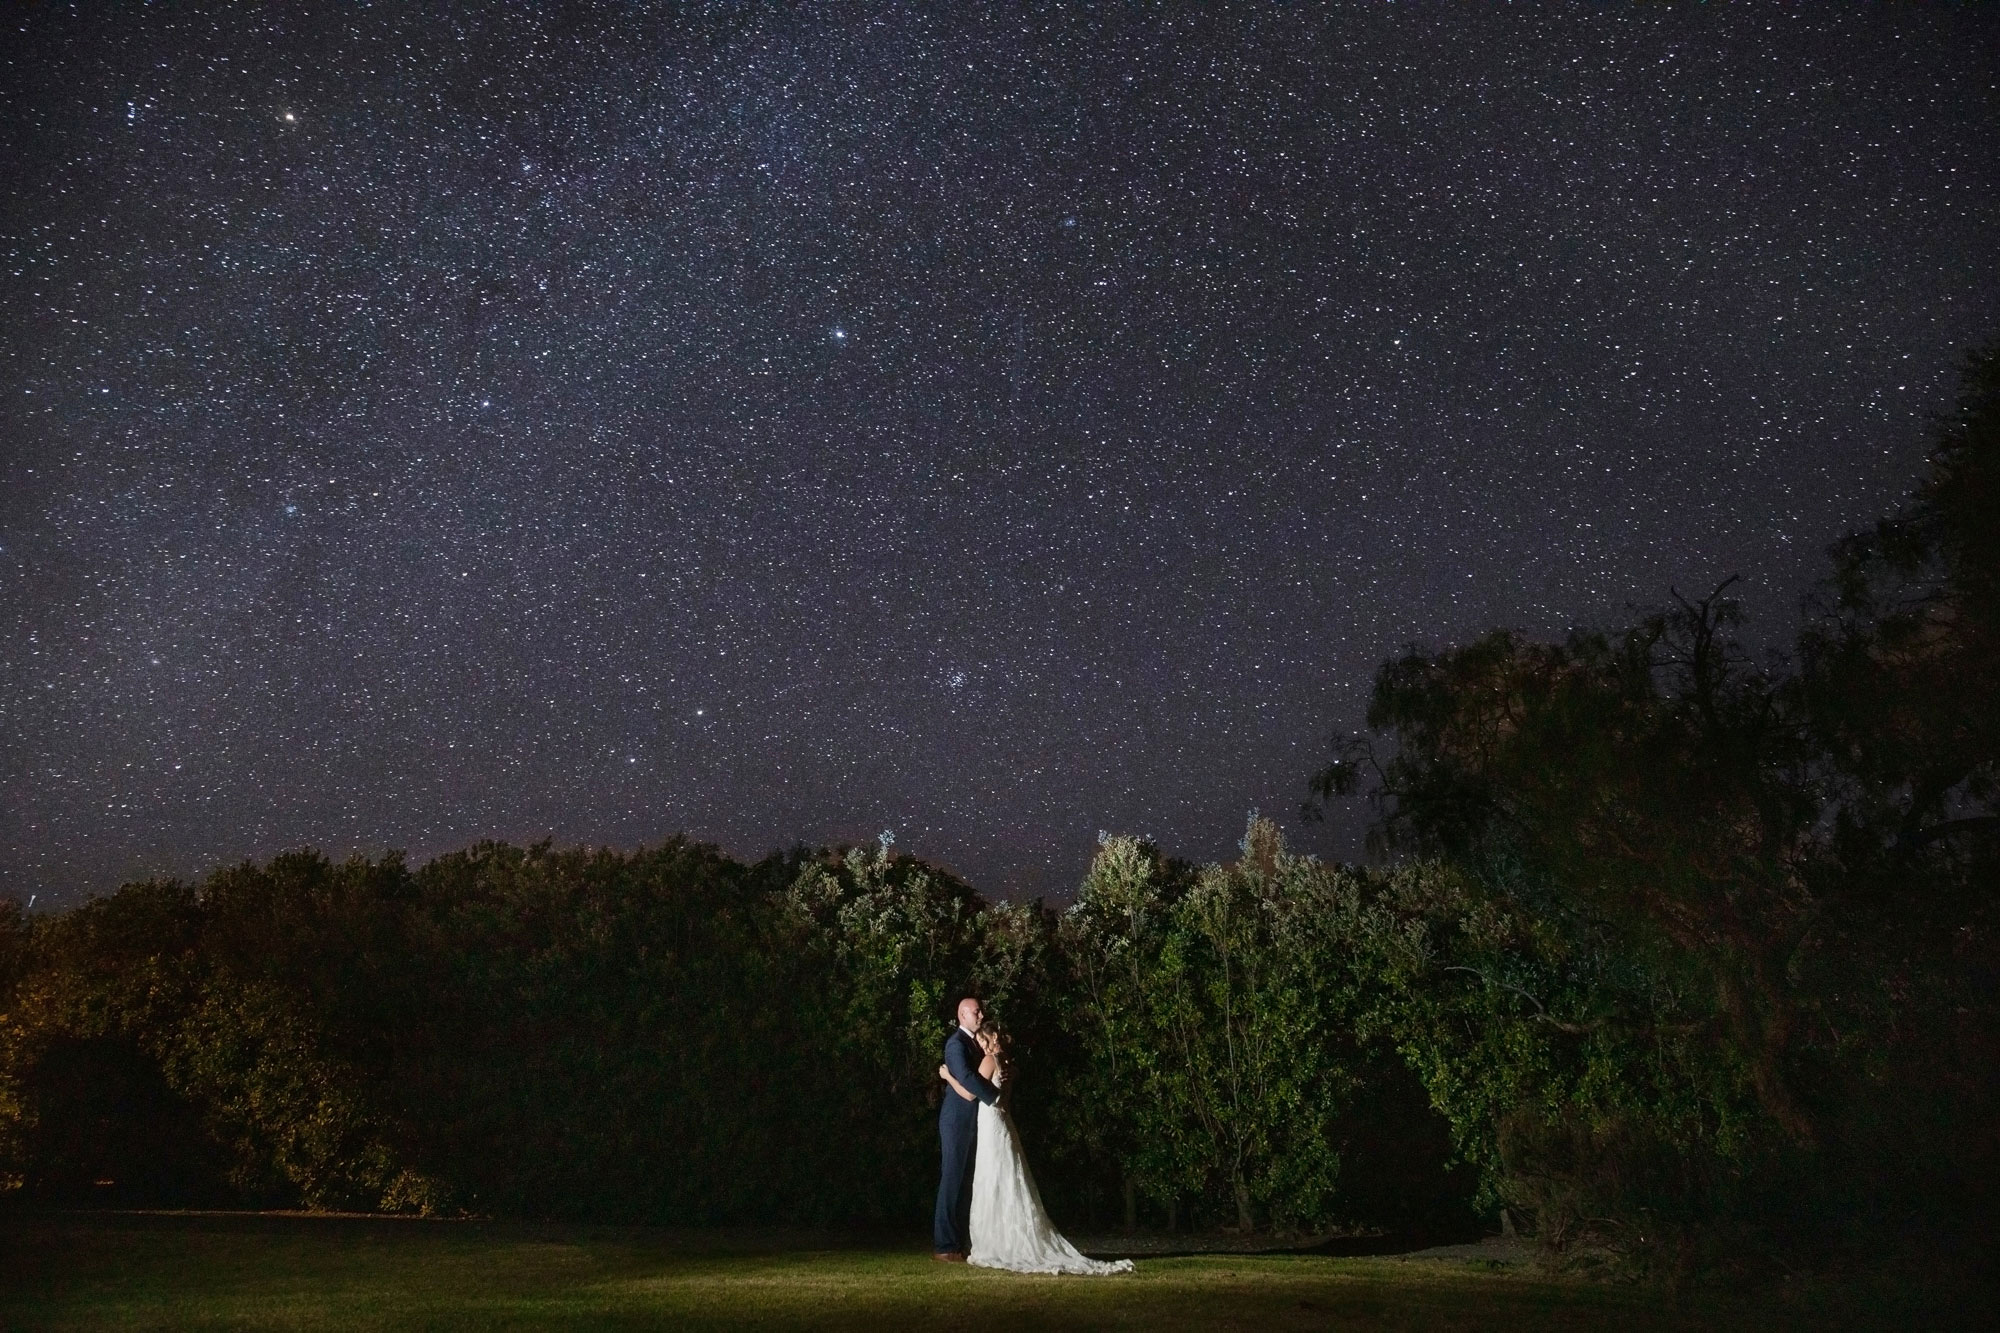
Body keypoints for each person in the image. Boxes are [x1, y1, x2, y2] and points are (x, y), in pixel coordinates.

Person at [939, 1009, 1134, 1275]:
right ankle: (1006, 1237)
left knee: (993, 1177)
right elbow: (1007, 1083)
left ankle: (995, 1241)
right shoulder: (1005, 1060)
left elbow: (971, 1094)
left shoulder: (988, 1061)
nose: (981, 1045)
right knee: (1006, 1176)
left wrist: (947, 1076)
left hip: (991, 1122)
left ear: (993, 1038)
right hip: (1002, 1123)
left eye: (984, 1041)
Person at [934, 996, 1002, 1260]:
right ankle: (945, 1245)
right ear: (962, 1015)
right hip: (956, 1120)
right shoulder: (955, 1045)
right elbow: (968, 1081)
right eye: (976, 1012)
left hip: (976, 1121)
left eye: (981, 1011)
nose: (981, 1015)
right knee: (952, 1179)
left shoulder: (976, 1043)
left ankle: (960, 1242)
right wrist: (995, 1095)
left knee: (966, 1182)